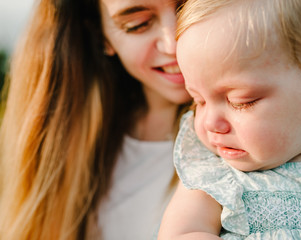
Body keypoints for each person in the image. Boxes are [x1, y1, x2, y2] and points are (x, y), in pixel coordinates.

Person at [158, 0, 301, 239]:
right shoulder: (212, 173)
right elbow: (183, 233)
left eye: (240, 101)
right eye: (198, 100)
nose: (211, 123)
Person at [0, 0, 191, 239]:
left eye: (189, 8)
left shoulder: (239, 141)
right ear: (103, 38)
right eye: (138, 24)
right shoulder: (74, 147)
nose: (173, 44)